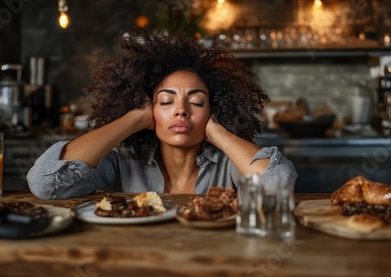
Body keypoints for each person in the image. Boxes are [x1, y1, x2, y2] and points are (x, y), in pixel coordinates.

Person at [27, 29, 297, 200]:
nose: (181, 110)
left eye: (198, 102)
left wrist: (218, 132)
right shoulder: (123, 162)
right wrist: (134, 119)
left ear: (214, 110)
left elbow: (279, 185)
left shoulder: (229, 166)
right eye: (166, 101)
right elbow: (45, 183)